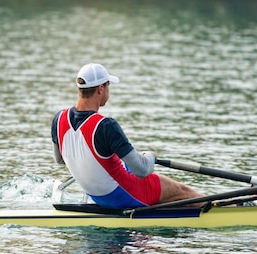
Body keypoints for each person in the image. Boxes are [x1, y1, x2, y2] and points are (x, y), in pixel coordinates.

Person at [51, 63, 203, 209]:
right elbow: (142, 170)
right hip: (123, 194)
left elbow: (61, 160)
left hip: (95, 195)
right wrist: (150, 156)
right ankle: (224, 209)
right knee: (182, 191)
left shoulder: (58, 119)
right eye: (108, 86)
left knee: (135, 166)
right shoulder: (105, 126)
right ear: (100, 88)